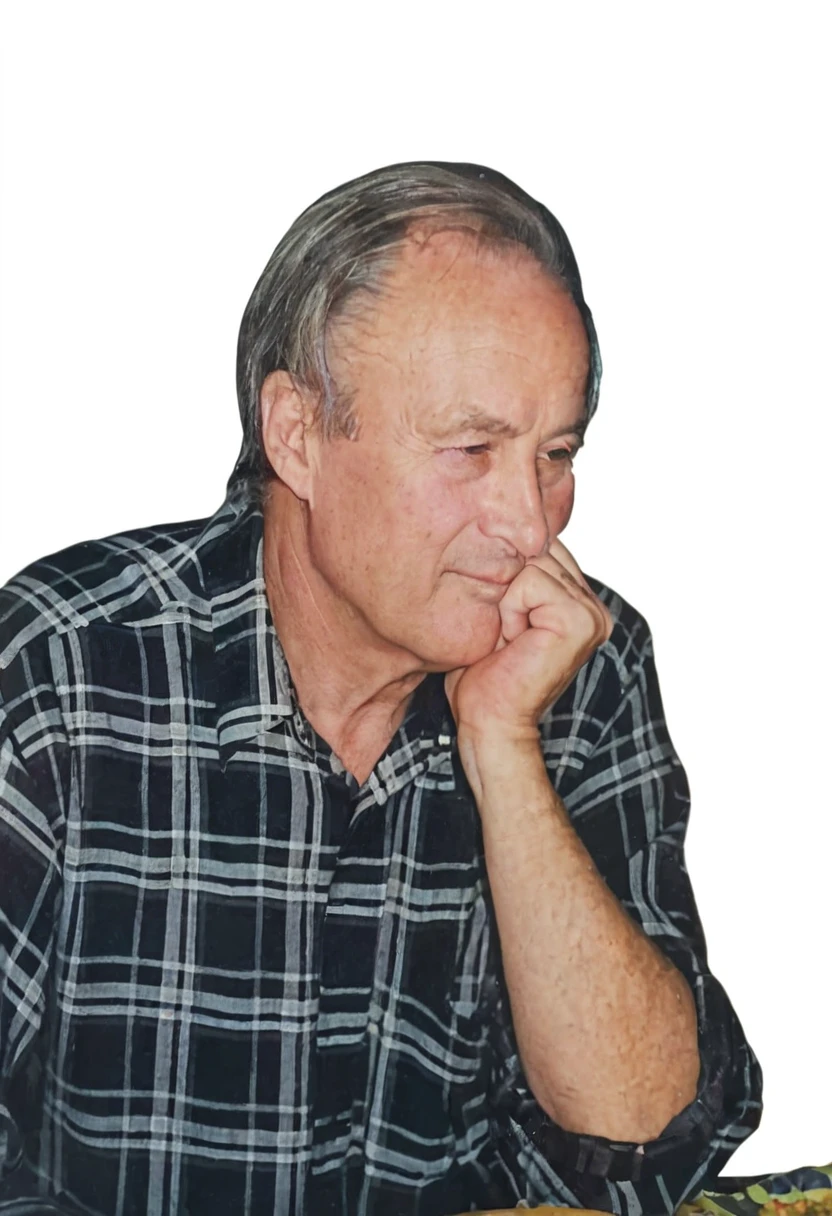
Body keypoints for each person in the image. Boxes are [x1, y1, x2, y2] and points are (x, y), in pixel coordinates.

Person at [0, 162, 762, 1216]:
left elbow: (639, 1135)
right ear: (298, 435)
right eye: (470, 449)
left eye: (555, 452)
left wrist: (503, 747)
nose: (531, 525)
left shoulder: (578, 666)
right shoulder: (65, 669)